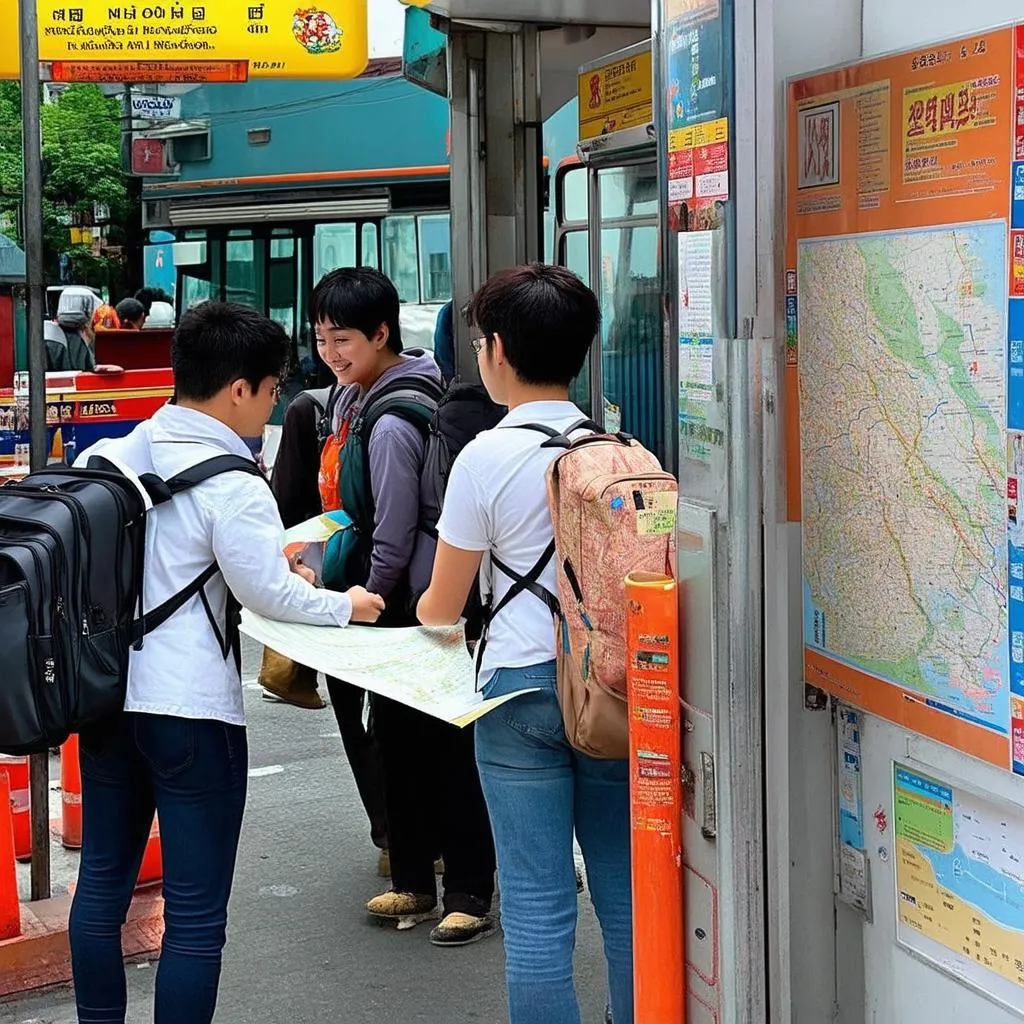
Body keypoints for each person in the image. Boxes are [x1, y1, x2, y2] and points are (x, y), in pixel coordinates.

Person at [67, 301, 385, 1024]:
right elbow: (267, 594)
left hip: (109, 703)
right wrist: (347, 604)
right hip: (190, 716)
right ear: (239, 388)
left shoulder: (109, 457)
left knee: (101, 891)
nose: (273, 404)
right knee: (195, 917)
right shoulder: (236, 485)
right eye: (273, 389)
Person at [417, 264, 633, 1022]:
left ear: (497, 350)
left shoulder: (484, 457)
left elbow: (443, 607)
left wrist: (422, 610)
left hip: (518, 694)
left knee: (539, 909)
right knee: (626, 895)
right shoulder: (617, 450)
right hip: (609, 690)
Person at [313, 266, 497, 944]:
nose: (331, 353)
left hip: (412, 602)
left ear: (381, 333)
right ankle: (414, 884)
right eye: (322, 339)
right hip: (403, 595)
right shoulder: (370, 396)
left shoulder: (389, 419)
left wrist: (372, 600)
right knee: (396, 742)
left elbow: (392, 534)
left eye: (344, 340)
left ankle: (469, 891)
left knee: (438, 747)